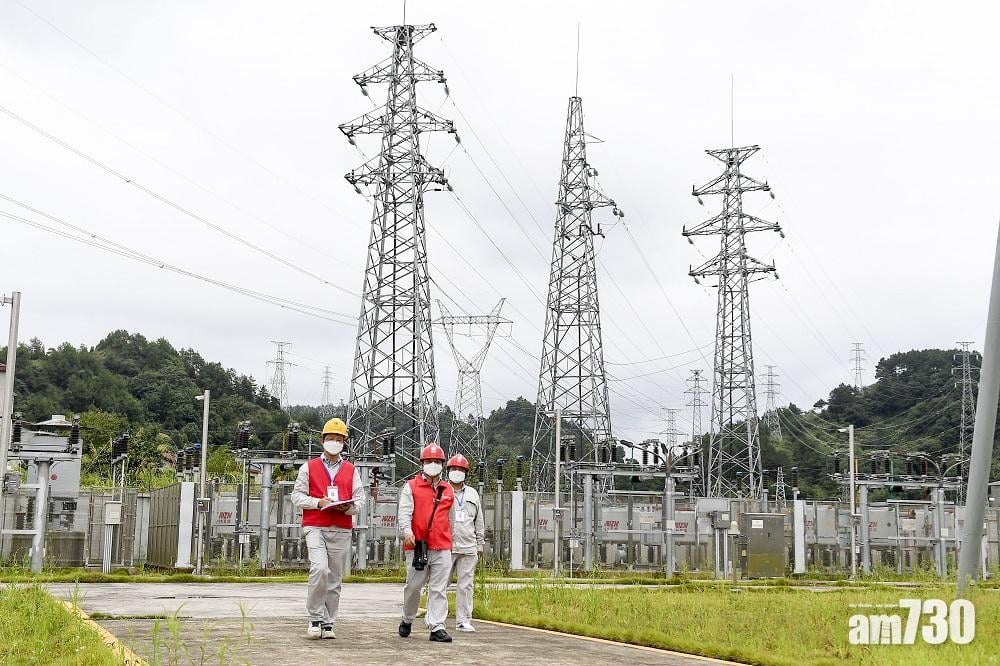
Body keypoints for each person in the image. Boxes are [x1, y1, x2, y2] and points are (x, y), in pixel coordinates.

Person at [291, 417, 363, 640]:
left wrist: (348, 507)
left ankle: (329, 622)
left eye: (339, 439)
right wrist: (318, 502)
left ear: (344, 443)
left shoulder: (351, 470)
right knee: (320, 569)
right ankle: (315, 618)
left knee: (334, 578)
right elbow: (296, 496)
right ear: (322, 440)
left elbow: (360, 500)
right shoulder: (309, 467)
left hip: (341, 528)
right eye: (331, 438)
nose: (335, 442)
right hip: (316, 526)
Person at [398, 443, 455, 643]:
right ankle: (407, 618)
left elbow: (451, 519)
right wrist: (407, 532)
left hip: (442, 546)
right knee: (413, 587)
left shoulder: (447, 489)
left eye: (437, 461)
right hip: (417, 546)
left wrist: (452, 540)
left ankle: (437, 626)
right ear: (422, 464)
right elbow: (405, 513)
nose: (433, 464)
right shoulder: (411, 487)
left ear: (442, 464)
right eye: (429, 461)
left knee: (439, 588)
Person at [446, 453, 485, 632]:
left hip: (468, 546)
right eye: (454, 469)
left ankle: (463, 620)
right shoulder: (442, 490)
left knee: (466, 585)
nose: (457, 472)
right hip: (446, 546)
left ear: (466, 473)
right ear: (448, 471)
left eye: (460, 469)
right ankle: (434, 616)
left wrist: (480, 543)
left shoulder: (472, 493)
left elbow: (479, 520)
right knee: (440, 584)